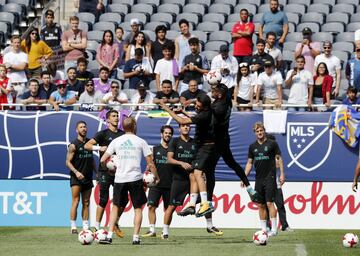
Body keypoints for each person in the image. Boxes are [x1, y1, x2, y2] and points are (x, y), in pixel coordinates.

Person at [99, 117, 159, 245]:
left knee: (115, 207)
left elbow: (102, 160)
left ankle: (109, 236)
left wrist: (109, 170)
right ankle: (136, 238)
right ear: (135, 126)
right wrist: (157, 177)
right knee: (137, 208)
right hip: (135, 178)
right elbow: (151, 164)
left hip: (120, 178)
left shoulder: (116, 141)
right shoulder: (141, 141)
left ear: (124, 127)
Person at [160, 94, 218, 217]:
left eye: (197, 104)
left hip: (208, 147)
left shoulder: (205, 114)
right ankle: (192, 204)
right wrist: (184, 112)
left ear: (203, 105)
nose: (196, 105)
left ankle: (206, 203)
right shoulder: (207, 113)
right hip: (211, 147)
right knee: (195, 175)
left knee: (197, 173)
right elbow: (195, 118)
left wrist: (166, 108)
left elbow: (181, 121)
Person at [84, 110, 125, 235]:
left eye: (117, 116)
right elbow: (87, 145)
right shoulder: (102, 134)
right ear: (107, 120)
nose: (116, 118)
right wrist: (99, 148)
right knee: (103, 199)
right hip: (104, 172)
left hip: (119, 172)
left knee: (122, 200)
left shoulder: (123, 135)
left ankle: (115, 222)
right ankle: (96, 227)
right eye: (113, 116)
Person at [243, 122, 285, 236]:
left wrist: (282, 174)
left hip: (270, 177)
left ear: (264, 131)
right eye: (257, 131)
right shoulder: (252, 147)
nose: (260, 133)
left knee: (270, 203)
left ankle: (274, 230)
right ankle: (264, 230)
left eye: (261, 130)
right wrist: (244, 177)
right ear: (255, 133)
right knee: (260, 205)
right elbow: (249, 163)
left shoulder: (272, 144)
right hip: (259, 179)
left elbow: (279, 158)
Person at [142, 125, 174, 237]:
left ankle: (165, 231)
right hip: (156, 184)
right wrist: (145, 182)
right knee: (151, 206)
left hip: (170, 184)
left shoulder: (173, 150)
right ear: (162, 134)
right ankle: (152, 230)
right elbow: (149, 166)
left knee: (168, 209)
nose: (167, 135)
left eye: (169, 133)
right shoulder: (154, 150)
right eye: (166, 133)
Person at [66, 121, 95, 234]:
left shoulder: (90, 143)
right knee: (76, 201)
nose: (83, 129)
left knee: (86, 202)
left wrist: (96, 172)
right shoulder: (73, 145)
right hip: (76, 177)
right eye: (81, 127)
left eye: (84, 127)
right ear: (76, 130)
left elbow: (91, 159)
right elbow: (67, 162)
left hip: (88, 177)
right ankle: (73, 226)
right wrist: (76, 172)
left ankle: (85, 226)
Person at [265, 133, 291, 232]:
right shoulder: (262, 152)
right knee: (267, 205)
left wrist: (282, 174)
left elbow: (278, 162)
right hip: (266, 183)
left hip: (276, 184)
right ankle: (267, 226)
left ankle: (284, 225)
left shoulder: (276, 154)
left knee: (280, 205)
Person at [3, 35, 28, 103]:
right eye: (15, 42)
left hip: (21, 83)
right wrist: (19, 67)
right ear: (11, 43)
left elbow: (22, 67)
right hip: (9, 83)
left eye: (18, 42)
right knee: (9, 104)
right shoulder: (7, 55)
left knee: (20, 104)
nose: (17, 44)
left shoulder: (24, 55)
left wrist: (11, 65)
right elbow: (7, 68)